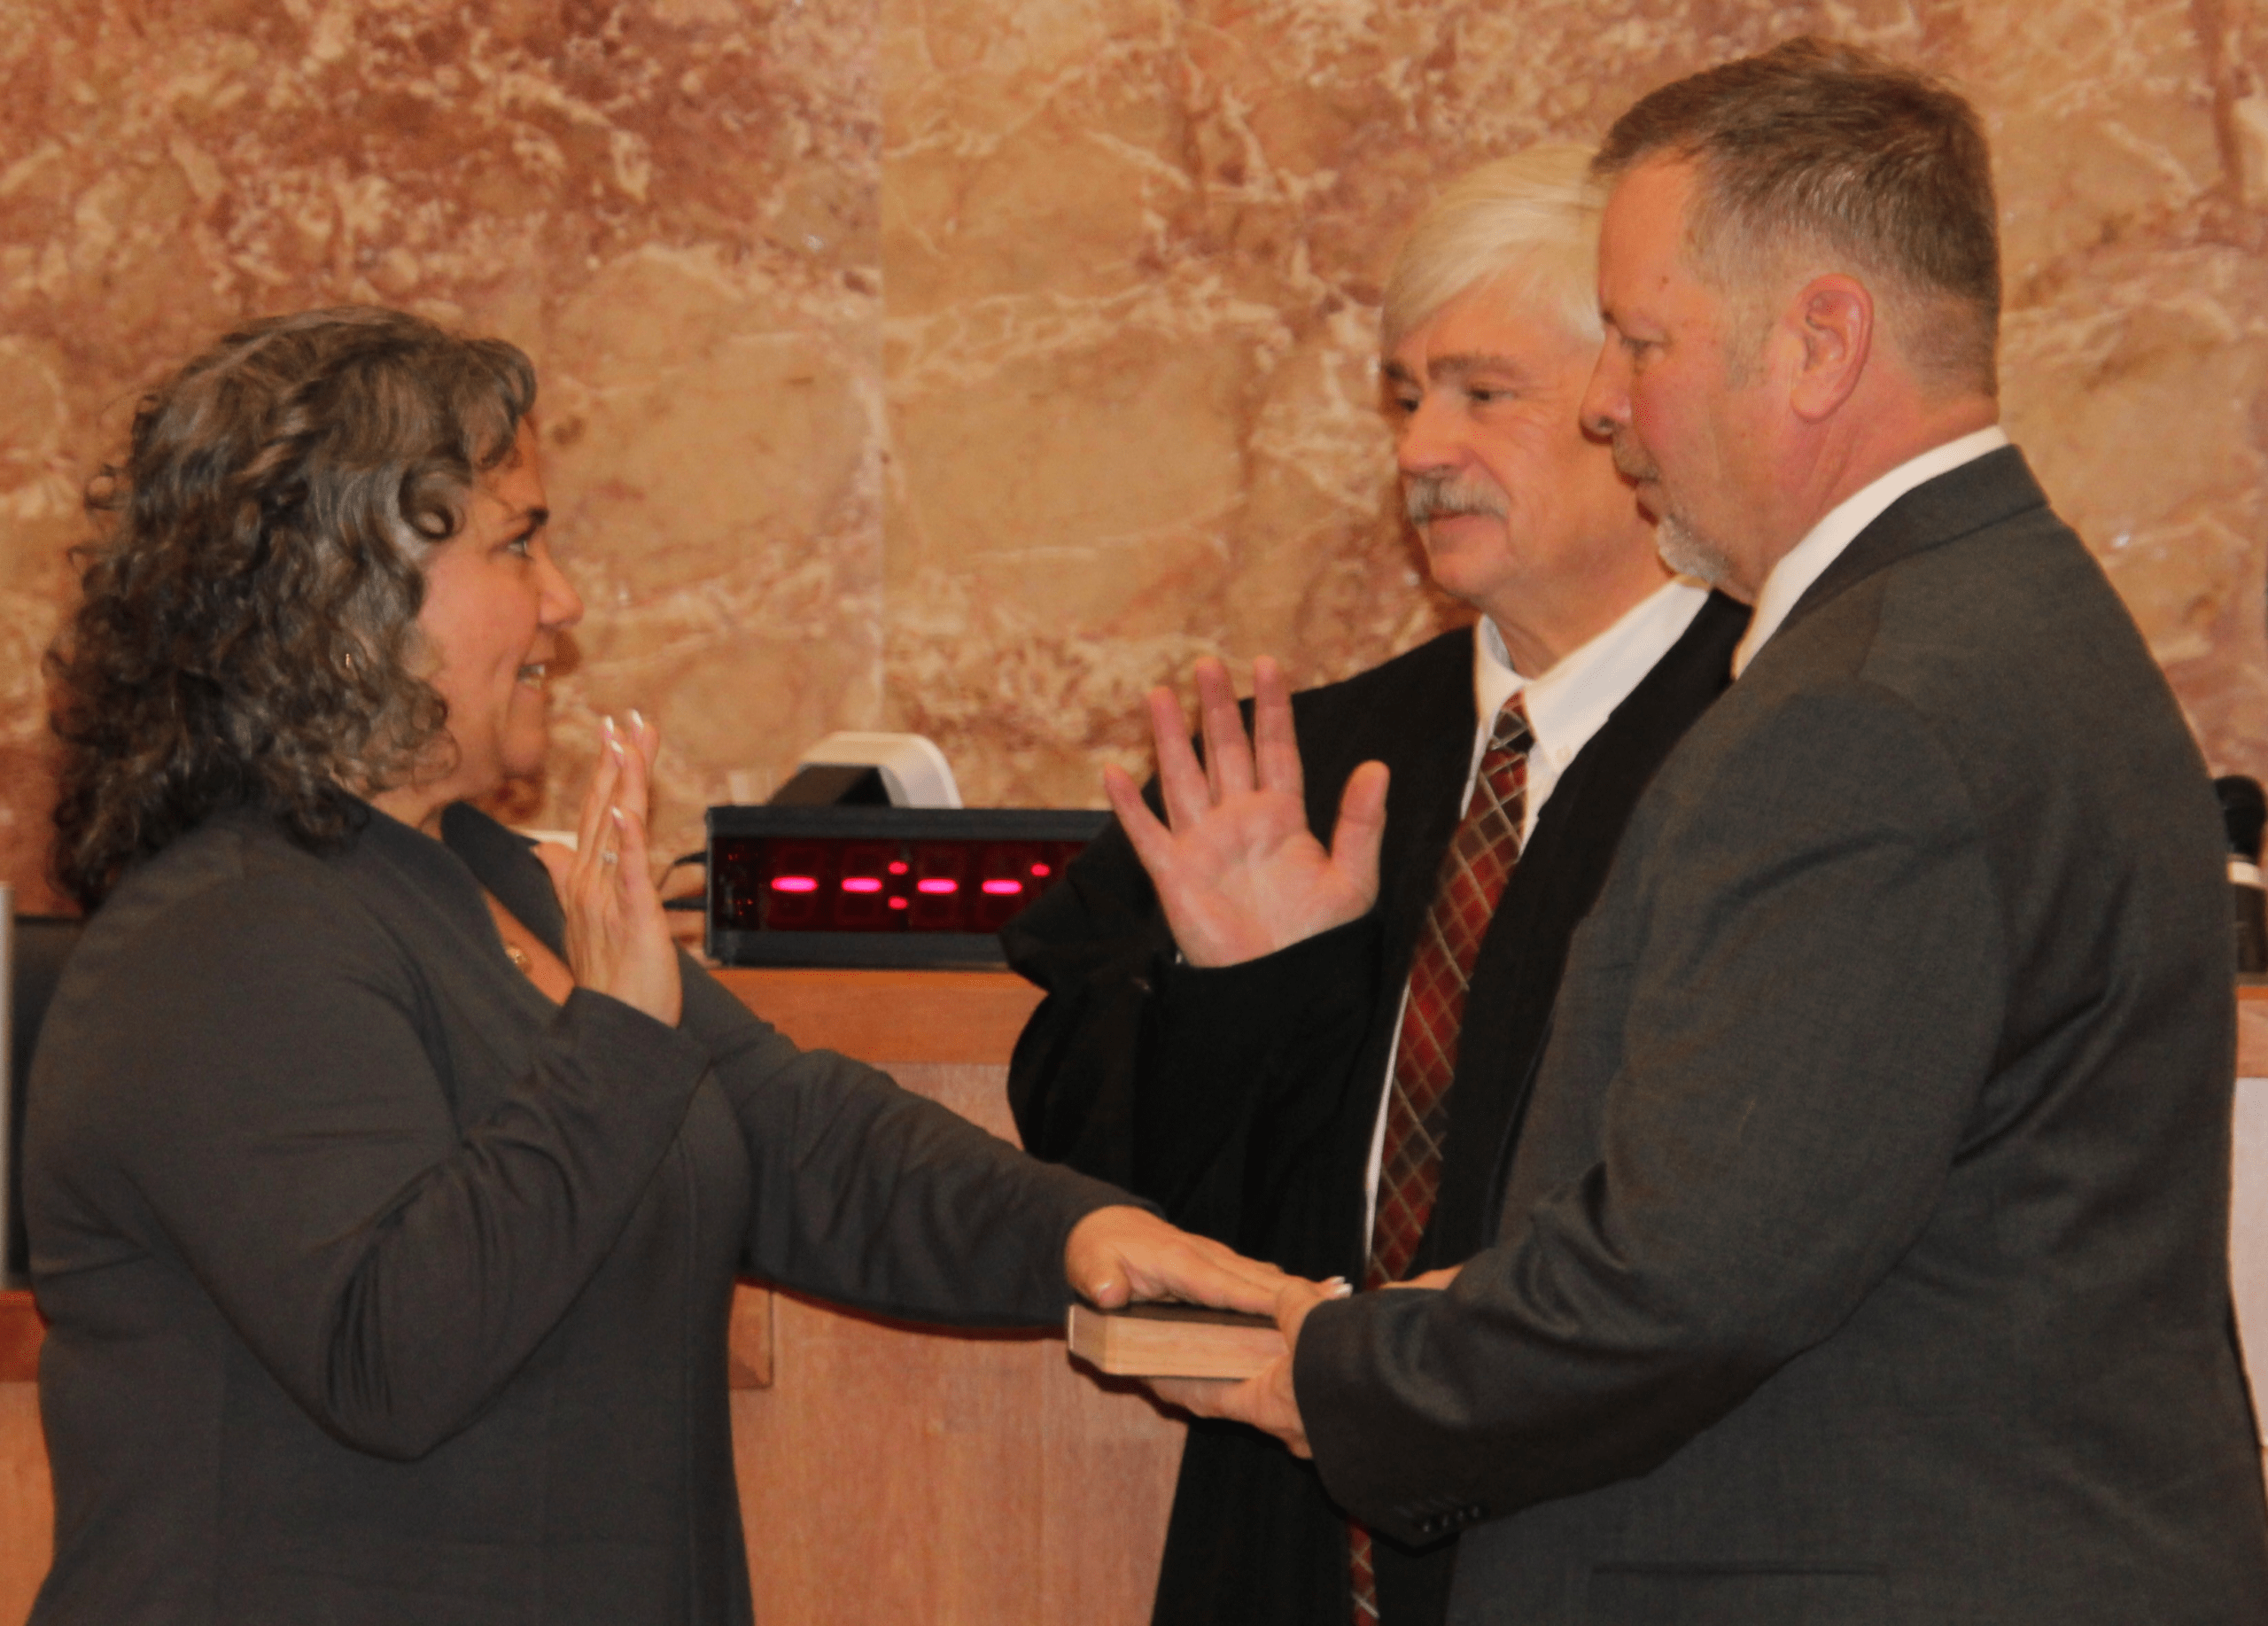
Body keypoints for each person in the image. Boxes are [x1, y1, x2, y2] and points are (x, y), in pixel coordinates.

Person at [1160, 38, 2268, 1623]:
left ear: (1821, 343)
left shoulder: (1867, 712)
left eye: (1641, 341)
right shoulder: (1998, 616)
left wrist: (1327, 1366)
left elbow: (1677, 1284)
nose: (1609, 405)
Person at [22, 306, 1288, 1626]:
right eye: (520, 542)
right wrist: (619, 1029)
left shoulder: (487, 875)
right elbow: (394, 1352)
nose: (563, 600)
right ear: (342, 592)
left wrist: (1082, 1231)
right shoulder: (221, 940)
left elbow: (802, 1136)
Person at [1005, 146, 1747, 1624]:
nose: (1420, 449)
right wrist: (1247, 993)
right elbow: (1089, 1164)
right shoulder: (1298, 767)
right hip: (1284, 1561)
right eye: (1407, 397)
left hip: (1624, 1559)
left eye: (1483, 393)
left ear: (1633, 402)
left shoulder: (1767, 747)